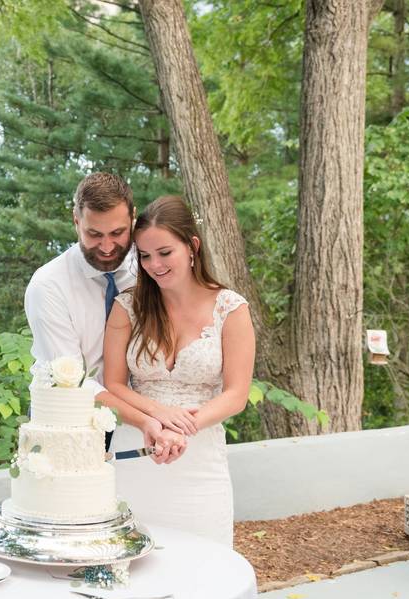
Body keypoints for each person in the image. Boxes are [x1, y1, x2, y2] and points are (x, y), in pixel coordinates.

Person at [103, 195, 255, 547]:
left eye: (164, 252)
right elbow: (111, 384)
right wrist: (155, 419)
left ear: (192, 247)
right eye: (144, 255)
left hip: (200, 459)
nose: (154, 264)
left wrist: (184, 428)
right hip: (139, 448)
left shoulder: (231, 309)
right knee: (129, 560)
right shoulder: (126, 306)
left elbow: (236, 394)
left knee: (204, 565)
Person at [25, 173, 186, 461]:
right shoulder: (47, 286)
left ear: (133, 220)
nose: (108, 247)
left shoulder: (150, 268)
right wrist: (147, 418)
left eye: (117, 233)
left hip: (144, 417)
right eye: (94, 234)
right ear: (76, 221)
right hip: (69, 420)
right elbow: (72, 381)